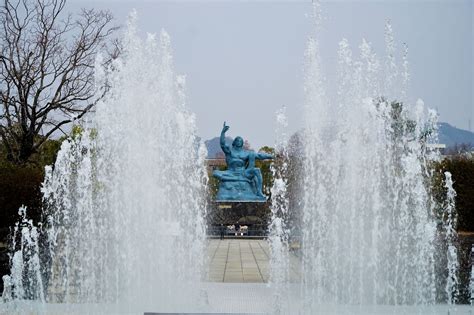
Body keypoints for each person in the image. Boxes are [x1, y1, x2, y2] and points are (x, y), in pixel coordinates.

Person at [213, 122, 273, 198]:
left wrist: (272, 156)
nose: (239, 141)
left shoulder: (246, 153)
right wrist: (223, 132)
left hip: (244, 173)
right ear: (234, 142)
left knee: (257, 170)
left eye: (240, 140)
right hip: (231, 172)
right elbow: (222, 144)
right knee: (215, 172)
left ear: (242, 143)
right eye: (237, 140)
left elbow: (260, 155)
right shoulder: (230, 151)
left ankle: (259, 192)